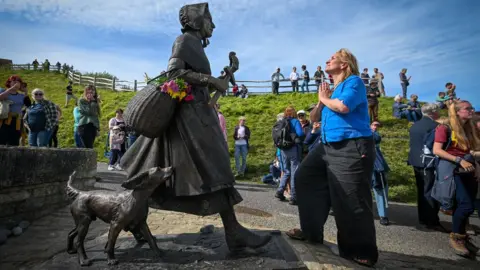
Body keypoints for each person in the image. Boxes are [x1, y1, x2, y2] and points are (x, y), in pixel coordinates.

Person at [120, 3, 271, 251]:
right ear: (195, 21)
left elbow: (197, 85)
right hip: (187, 121)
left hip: (197, 115)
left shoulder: (195, 46)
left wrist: (226, 74)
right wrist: (210, 79)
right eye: (209, 19)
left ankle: (234, 232)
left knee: (211, 171)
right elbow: (174, 73)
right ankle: (133, 219)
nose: (213, 24)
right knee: (203, 170)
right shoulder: (184, 40)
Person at [287, 48, 378, 267]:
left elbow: (343, 107)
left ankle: (360, 251)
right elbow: (314, 117)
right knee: (305, 177)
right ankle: (311, 231)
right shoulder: (331, 88)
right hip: (327, 143)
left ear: (344, 64)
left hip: (351, 143)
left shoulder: (354, 83)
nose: (327, 60)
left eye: (333, 58)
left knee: (350, 195)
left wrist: (325, 98)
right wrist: (321, 100)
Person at [433, 100, 479, 257]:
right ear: (457, 112)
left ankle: (462, 235)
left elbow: (471, 150)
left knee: (470, 204)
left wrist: (475, 160)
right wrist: (459, 160)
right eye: (467, 108)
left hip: (470, 169)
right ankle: (456, 236)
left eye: (472, 108)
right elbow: (437, 150)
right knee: (466, 205)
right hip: (454, 169)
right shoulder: (444, 127)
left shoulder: (469, 128)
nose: (471, 110)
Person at [407, 103, 446, 231]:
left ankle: (423, 218)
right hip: (428, 162)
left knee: (421, 190)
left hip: (416, 161)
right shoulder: (435, 126)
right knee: (429, 191)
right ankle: (432, 221)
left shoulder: (415, 125)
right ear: (433, 112)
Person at [275, 106, 304, 205]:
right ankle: (293, 196)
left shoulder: (282, 122)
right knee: (294, 171)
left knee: (286, 171)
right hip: (293, 148)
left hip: (283, 149)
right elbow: (300, 133)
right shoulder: (295, 122)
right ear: (294, 113)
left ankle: (280, 191)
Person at [371, 121, 390, 226]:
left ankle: (383, 215)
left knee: (380, 188)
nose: (375, 127)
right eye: (374, 125)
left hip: (376, 164)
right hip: (360, 164)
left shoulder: (375, 135)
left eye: (377, 126)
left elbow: (376, 139)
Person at [0, 75, 27, 146]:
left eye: (18, 81)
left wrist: (25, 91)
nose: (16, 82)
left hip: (17, 121)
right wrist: (11, 89)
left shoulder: (21, 95)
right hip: (4, 119)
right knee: (2, 140)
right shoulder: (3, 90)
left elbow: (27, 104)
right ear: (9, 83)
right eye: (14, 81)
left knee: (14, 142)